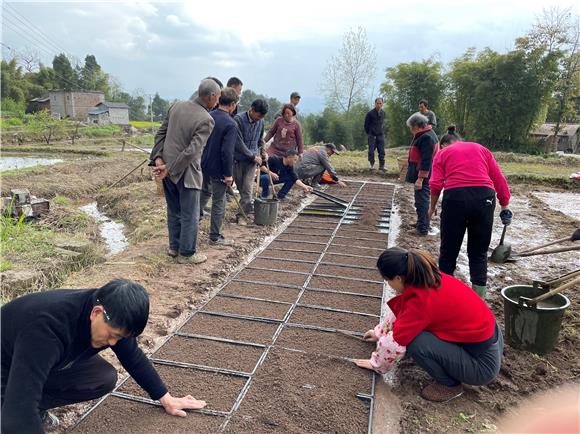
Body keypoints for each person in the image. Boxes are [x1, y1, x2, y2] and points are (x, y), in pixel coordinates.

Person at [1, 279, 207, 433]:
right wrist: (20, 414)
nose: (113, 343)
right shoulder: (47, 330)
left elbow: (133, 357)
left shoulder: (114, 315)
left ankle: (35, 405)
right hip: (6, 365)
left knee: (102, 378)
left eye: (120, 337)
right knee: (15, 414)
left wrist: (166, 398)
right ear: (96, 313)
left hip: (31, 361)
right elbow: (18, 414)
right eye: (112, 335)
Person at [353, 247, 503, 403]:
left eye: (388, 281)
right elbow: (402, 313)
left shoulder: (420, 302)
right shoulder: (427, 278)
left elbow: (395, 342)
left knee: (415, 342)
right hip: (489, 340)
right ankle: (451, 364)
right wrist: (379, 332)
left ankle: (450, 385)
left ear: (398, 278)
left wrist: (376, 364)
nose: (389, 284)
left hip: (482, 366)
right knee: (414, 331)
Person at [428, 126, 512, 297]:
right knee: (479, 252)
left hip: (455, 199)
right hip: (484, 199)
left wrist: (432, 207)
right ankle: (478, 299)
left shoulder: (442, 153)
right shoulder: (480, 149)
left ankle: (444, 296)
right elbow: (498, 178)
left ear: (444, 144)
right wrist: (505, 206)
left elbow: (436, 183)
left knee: (448, 251)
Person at [149, 79, 220, 264]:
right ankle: (187, 253)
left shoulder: (176, 106)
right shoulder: (206, 119)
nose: (218, 101)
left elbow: (160, 134)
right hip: (186, 173)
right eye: (218, 97)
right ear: (211, 97)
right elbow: (192, 151)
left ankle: (174, 247)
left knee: (174, 210)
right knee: (190, 214)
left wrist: (159, 159)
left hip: (166, 171)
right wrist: (170, 168)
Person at [199, 87, 239, 246]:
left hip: (204, 163)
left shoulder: (209, 116)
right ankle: (215, 236)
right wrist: (228, 174)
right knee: (218, 202)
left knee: (202, 194)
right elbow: (227, 152)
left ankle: (192, 224)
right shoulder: (231, 123)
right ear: (233, 104)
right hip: (219, 169)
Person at [233, 99, 269, 223]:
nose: (259, 119)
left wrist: (263, 151)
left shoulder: (261, 122)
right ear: (252, 110)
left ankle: (242, 216)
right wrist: (253, 156)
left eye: (262, 117)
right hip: (238, 160)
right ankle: (244, 210)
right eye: (258, 116)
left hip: (252, 162)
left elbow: (260, 140)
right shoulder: (238, 120)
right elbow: (238, 143)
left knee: (247, 188)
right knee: (242, 188)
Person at [405, 112, 439, 236]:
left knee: (422, 201)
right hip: (422, 174)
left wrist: (420, 178)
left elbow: (426, 160)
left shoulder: (426, 138)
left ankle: (422, 228)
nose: (410, 130)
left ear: (417, 125)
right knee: (420, 199)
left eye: (411, 127)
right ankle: (422, 222)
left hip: (424, 175)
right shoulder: (426, 134)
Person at [364, 97, 386, 171]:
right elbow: (366, 125)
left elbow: (383, 124)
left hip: (380, 135)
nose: (379, 105)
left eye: (380, 103)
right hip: (372, 135)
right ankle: (372, 165)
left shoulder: (383, 113)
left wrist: (381, 132)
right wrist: (370, 133)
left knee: (381, 151)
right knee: (371, 151)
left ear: (382, 104)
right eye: (377, 103)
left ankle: (381, 166)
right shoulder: (370, 114)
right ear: (375, 103)